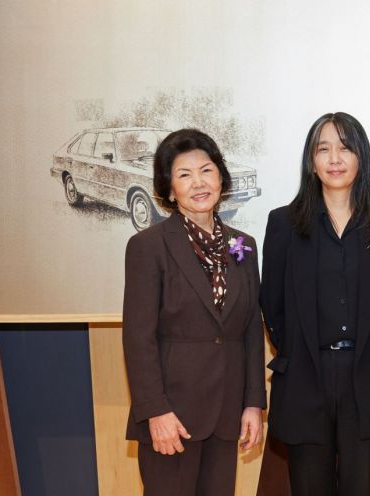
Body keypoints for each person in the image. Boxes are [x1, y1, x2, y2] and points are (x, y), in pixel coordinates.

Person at [260, 112, 370, 496]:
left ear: (361, 157)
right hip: (306, 377)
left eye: (345, 148)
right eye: (323, 149)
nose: (334, 158)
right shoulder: (284, 224)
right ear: (311, 162)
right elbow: (272, 306)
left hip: (369, 376)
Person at [122, 128, 265, 495]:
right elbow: (138, 337)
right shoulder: (148, 246)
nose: (198, 183)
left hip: (226, 412)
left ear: (221, 177)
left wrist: (252, 403)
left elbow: (249, 329)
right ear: (169, 190)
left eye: (206, 170)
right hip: (173, 415)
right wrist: (155, 410)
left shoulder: (242, 245)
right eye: (184, 175)